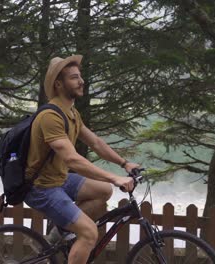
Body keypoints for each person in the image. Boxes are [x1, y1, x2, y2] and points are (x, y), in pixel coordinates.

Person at [24, 54, 139, 264]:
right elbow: (73, 160)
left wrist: (124, 163)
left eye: (80, 76)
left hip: (59, 180)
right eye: (74, 77)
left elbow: (95, 142)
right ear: (59, 84)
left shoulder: (71, 113)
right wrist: (115, 177)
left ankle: (57, 235)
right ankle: (65, 234)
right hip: (41, 188)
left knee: (103, 190)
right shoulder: (50, 116)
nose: (81, 81)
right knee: (89, 234)